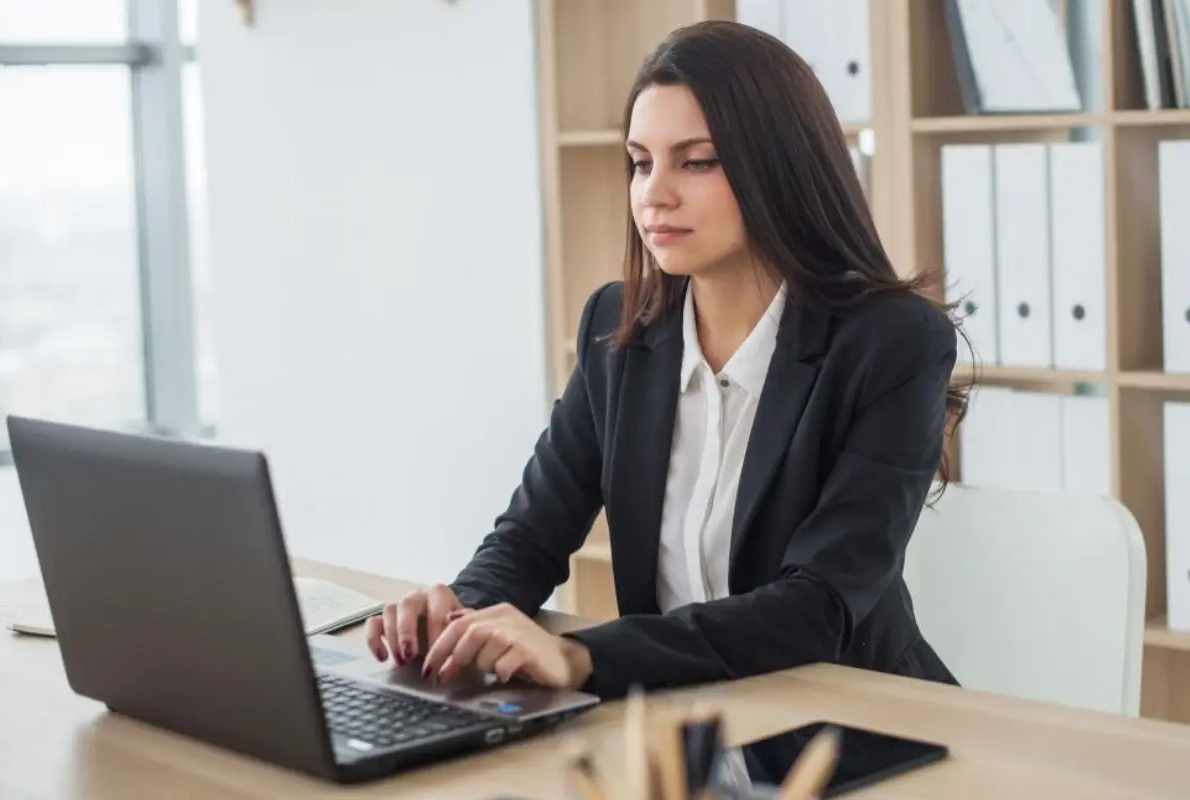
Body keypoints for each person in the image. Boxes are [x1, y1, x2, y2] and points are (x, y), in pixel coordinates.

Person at [367, 18, 970, 722]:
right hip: (678, 728)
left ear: (780, 165)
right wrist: (460, 617)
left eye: (697, 162)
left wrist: (584, 657)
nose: (653, 194)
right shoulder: (617, 329)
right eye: (640, 162)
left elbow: (818, 605)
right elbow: (531, 536)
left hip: (851, 726)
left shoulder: (893, 342)